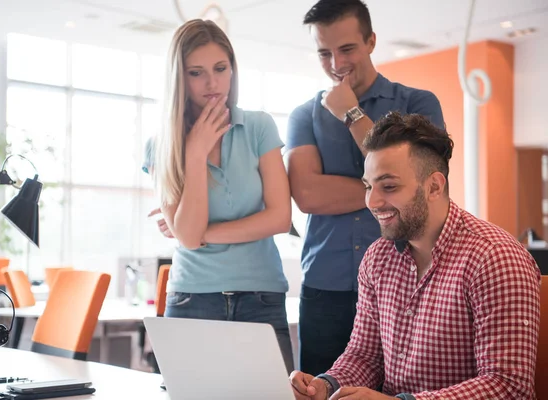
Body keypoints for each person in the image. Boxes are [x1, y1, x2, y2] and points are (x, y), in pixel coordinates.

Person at [289, 112, 541, 400]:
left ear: (434, 186)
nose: (371, 201)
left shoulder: (495, 258)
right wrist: (326, 385)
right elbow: (364, 356)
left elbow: (508, 386)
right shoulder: (377, 258)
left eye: (389, 186)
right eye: (369, 186)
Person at [285, 0, 445, 375]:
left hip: (406, 281)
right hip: (326, 287)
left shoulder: (418, 103)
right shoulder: (304, 115)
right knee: (320, 389)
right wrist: (393, 187)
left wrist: (352, 114)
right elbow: (307, 196)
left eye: (347, 49)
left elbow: (424, 181)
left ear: (371, 41)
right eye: (324, 53)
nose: (337, 64)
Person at [149, 19, 294, 373]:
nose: (212, 83)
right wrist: (195, 153)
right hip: (191, 299)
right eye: (196, 72)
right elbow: (186, 235)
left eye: (220, 68)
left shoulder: (259, 126)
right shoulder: (162, 145)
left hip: (261, 297)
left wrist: (202, 234)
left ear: (233, 70)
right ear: (179, 79)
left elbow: (279, 218)